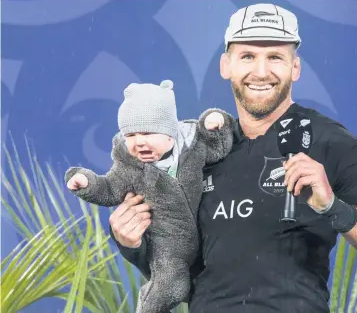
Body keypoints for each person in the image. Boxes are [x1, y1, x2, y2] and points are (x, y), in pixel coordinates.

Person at [108, 4, 357, 313]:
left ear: (294, 67)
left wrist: (332, 207)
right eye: (247, 56)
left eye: (274, 57)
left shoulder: (331, 143)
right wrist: (133, 243)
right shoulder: (199, 149)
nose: (260, 72)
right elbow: (185, 272)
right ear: (225, 65)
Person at [65, 80, 235, 313]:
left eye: (147, 132)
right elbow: (109, 189)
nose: (139, 142)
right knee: (170, 288)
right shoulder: (129, 168)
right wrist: (86, 182)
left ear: (170, 133)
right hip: (168, 249)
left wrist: (214, 124)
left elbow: (219, 148)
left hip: (210, 242)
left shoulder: (193, 145)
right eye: (131, 135)